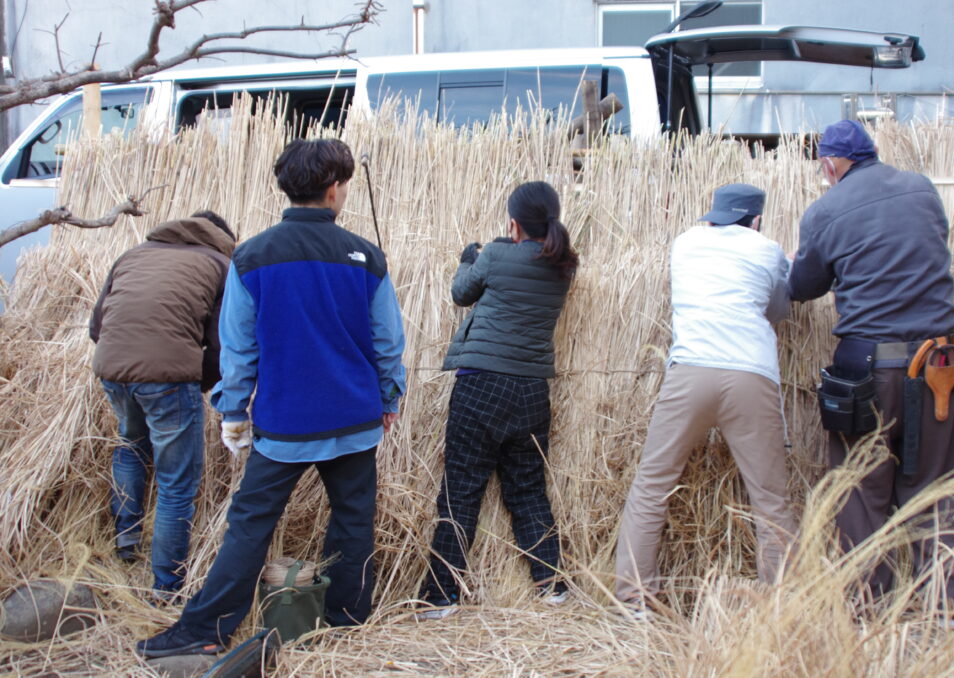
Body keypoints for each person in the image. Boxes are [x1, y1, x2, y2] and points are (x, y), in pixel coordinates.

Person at [137, 138, 406, 658]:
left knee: (250, 524)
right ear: (334, 190)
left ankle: (204, 630)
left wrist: (233, 412)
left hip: (285, 423)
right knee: (353, 519)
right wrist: (388, 398)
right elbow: (388, 343)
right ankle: (346, 622)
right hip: (354, 418)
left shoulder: (251, 257)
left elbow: (238, 350)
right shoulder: (365, 257)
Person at [788, 119, 954, 606]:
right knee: (942, 483)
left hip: (868, 371)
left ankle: (868, 607)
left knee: (860, 488)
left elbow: (801, 287)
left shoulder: (826, 211)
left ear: (829, 165)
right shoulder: (921, 190)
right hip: (937, 364)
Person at [615, 184, 798, 616]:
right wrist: (786, 268)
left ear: (713, 214)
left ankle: (634, 602)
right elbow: (778, 310)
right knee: (770, 498)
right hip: (750, 373)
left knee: (651, 486)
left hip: (691, 371)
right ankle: (779, 605)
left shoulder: (684, 243)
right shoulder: (767, 249)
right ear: (756, 220)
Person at [416, 181, 578, 620]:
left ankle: (441, 596)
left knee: (461, 490)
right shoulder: (565, 265)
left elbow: (461, 292)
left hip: (481, 385)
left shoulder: (496, 255)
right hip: (532, 392)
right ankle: (551, 584)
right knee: (527, 490)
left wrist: (468, 257)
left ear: (513, 223)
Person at [90, 210, 236, 600]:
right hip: (168, 378)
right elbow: (221, 344)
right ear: (223, 238)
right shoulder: (221, 265)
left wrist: (121, 362)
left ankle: (125, 541)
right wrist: (198, 383)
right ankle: (166, 587)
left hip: (112, 370)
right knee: (176, 483)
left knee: (131, 445)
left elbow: (96, 326)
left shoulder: (134, 254)